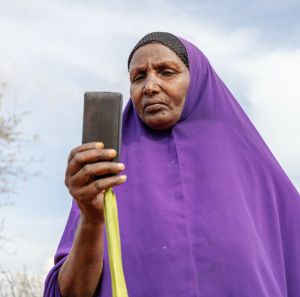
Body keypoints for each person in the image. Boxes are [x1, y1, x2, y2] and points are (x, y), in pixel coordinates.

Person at [44, 32, 300, 297]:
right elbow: (71, 292)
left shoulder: (257, 172)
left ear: (197, 80)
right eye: (138, 77)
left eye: (166, 72)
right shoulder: (104, 175)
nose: (150, 86)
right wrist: (91, 217)